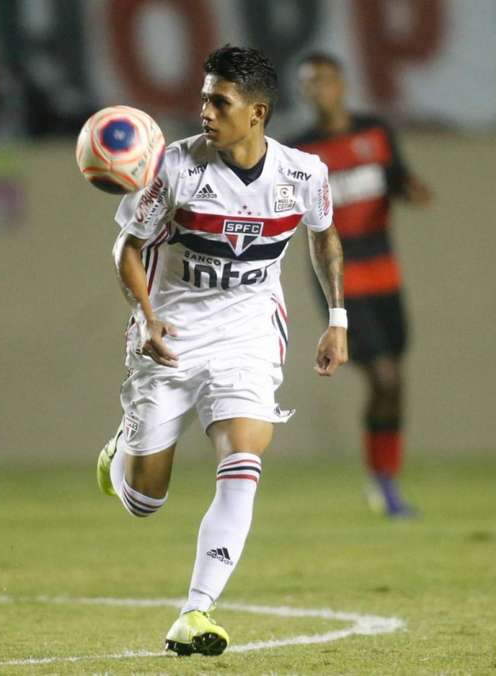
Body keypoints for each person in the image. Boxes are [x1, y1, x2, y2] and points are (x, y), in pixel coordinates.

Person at [96, 45, 347, 656]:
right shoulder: (176, 168)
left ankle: (195, 612)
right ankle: (123, 451)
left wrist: (337, 318)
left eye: (219, 100)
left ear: (257, 112)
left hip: (250, 332)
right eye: (204, 97)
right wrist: (146, 317)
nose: (204, 109)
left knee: (244, 458)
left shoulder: (304, 174)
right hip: (172, 333)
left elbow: (325, 239)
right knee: (146, 502)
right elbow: (127, 250)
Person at [291, 53, 432, 517]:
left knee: (395, 383)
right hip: (341, 279)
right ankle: (385, 487)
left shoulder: (375, 132)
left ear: (342, 83)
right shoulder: (299, 152)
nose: (318, 90)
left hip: (386, 272)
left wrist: (409, 188)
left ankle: (384, 477)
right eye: (309, 83)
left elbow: (397, 179)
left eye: (324, 80)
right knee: (383, 375)